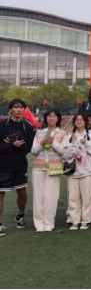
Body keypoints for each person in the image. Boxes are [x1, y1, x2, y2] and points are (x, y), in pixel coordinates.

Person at [0, 99, 36, 237]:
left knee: (21, 191)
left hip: (20, 164)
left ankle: (20, 215)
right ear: (10, 110)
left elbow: (29, 147)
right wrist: (10, 145)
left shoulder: (27, 126)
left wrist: (17, 146)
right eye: (16, 107)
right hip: (3, 164)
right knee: (1, 193)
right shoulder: (2, 125)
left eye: (21, 107)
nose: (19, 110)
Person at [62, 113, 91, 231]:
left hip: (88, 170)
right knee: (73, 197)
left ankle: (86, 220)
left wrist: (85, 143)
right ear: (74, 122)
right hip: (73, 171)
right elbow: (65, 154)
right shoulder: (69, 135)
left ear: (85, 122)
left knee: (87, 197)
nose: (79, 121)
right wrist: (73, 146)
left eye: (81, 120)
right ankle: (75, 220)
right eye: (77, 120)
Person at [30, 110, 65, 232]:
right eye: (49, 116)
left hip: (54, 166)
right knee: (38, 196)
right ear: (45, 118)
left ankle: (49, 223)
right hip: (39, 166)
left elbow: (64, 151)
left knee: (51, 196)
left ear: (58, 119)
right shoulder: (39, 133)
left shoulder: (63, 133)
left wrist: (53, 142)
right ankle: (39, 223)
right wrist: (41, 143)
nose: (51, 118)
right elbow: (33, 151)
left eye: (54, 116)